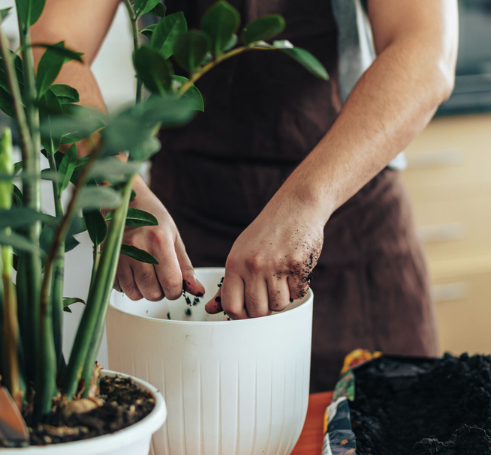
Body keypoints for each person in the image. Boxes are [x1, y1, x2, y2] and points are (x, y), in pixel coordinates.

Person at [32, 0, 458, 391]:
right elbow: (46, 43)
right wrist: (115, 190)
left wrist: (306, 202)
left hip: (350, 231)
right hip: (183, 237)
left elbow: (425, 49)